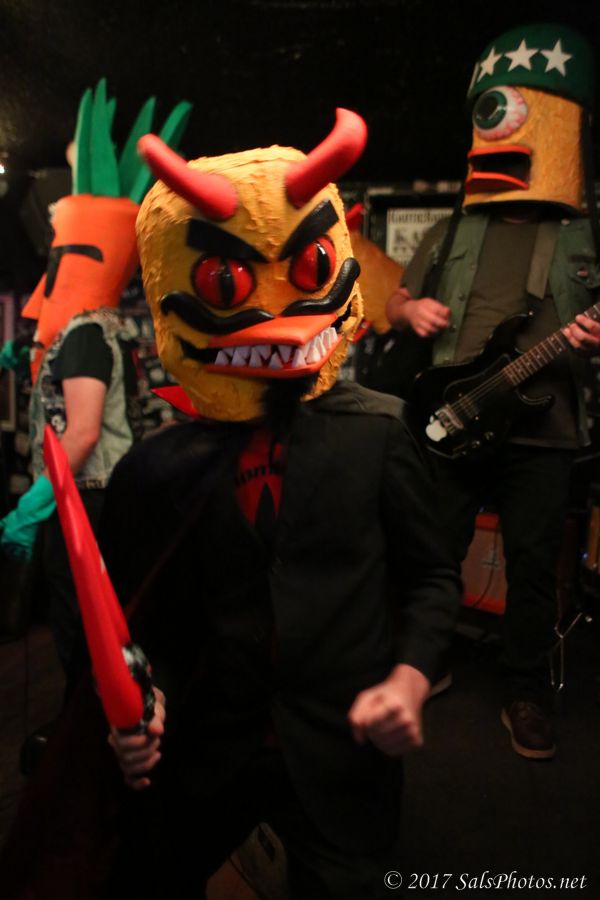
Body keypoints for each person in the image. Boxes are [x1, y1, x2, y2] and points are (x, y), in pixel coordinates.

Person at [34, 111, 461, 900]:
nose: (275, 318)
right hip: (204, 758)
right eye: (228, 283)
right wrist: (136, 710)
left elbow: (433, 576)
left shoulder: (378, 434)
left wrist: (408, 677)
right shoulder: (157, 471)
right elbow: (137, 625)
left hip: (342, 760)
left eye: (307, 268)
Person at [386, 24, 600, 760]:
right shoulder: (452, 230)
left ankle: (524, 691)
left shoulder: (582, 235)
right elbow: (394, 303)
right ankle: (428, 662)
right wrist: (410, 312)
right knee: (433, 550)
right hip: (454, 415)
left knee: (533, 568)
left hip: (545, 426)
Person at [0, 82, 190, 694]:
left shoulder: (84, 333)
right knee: (88, 621)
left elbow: (81, 433)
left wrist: (33, 507)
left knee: (82, 624)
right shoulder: (93, 329)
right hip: (91, 497)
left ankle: (94, 723)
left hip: (85, 497)